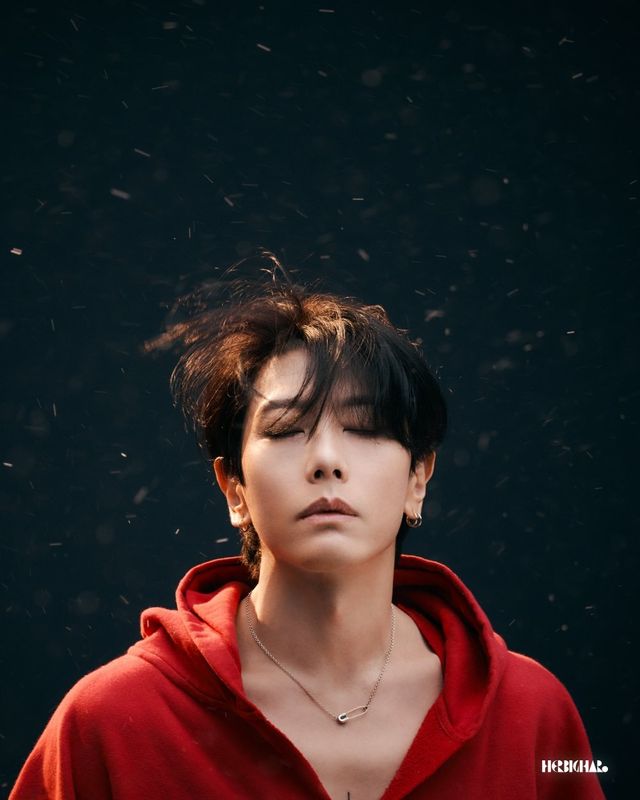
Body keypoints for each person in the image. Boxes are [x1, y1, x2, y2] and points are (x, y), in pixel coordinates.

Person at [11, 256, 606, 799]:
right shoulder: (114, 720)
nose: (326, 460)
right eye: (286, 429)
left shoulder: (532, 714)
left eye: (365, 428)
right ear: (234, 487)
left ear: (417, 479)